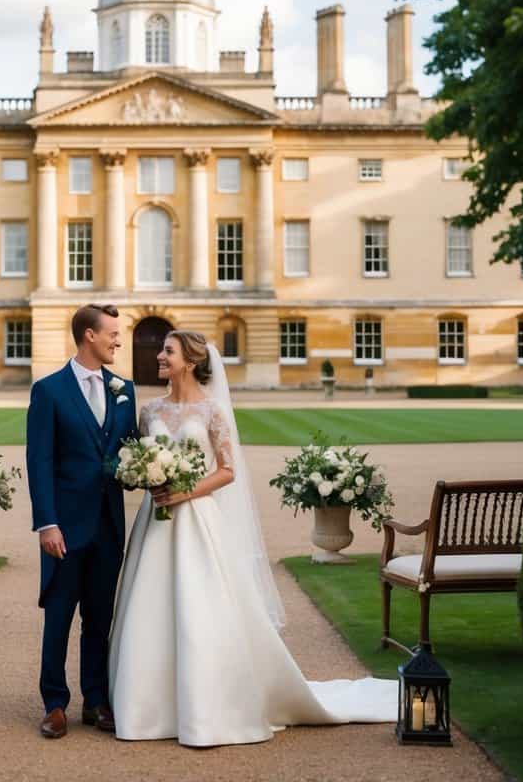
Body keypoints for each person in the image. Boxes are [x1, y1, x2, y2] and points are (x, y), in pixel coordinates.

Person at [108, 330, 398, 746]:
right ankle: (146, 709)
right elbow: (137, 459)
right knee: (148, 604)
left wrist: (184, 492)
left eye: (167, 351)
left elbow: (227, 470)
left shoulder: (211, 411)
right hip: (155, 524)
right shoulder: (150, 410)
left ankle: (208, 706)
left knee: (200, 605)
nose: (159, 356)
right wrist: (144, 478)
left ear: (189, 361)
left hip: (196, 520)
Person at [26, 303, 138, 740]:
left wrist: (151, 472)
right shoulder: (49, 390)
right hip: (65, 529)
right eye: (112, 333)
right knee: (58, 617)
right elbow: (40, 460)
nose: (118, 340)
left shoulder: (124, 388)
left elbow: (132, 452)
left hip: (109, 525)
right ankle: (55, 704)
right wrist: (46, 523)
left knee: (99, 618)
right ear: (88, 335)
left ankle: (96, 700)